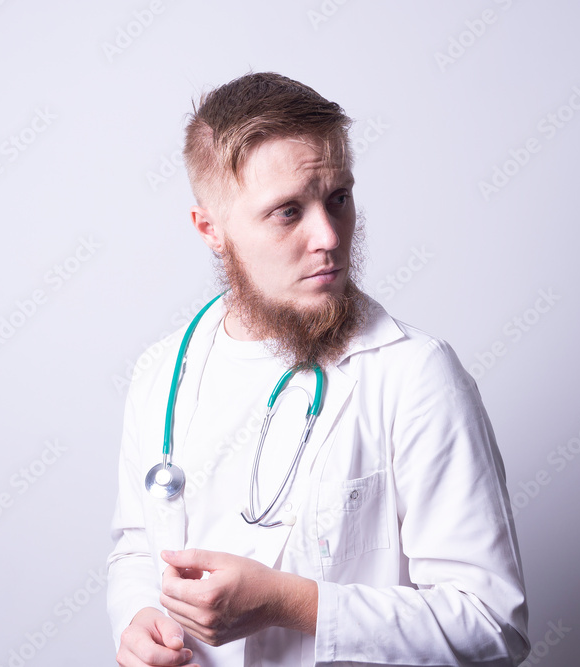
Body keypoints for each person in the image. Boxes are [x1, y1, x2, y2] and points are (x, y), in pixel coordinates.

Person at [107, 72, 529, 667]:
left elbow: (492, 623)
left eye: (339, 198)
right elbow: (135, 549)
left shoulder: (415, 376)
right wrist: (135, 618)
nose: (329, 236)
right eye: (288, 212)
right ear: (211, 230)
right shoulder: (160, 375)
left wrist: (288, 603)